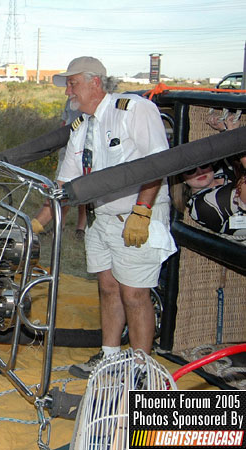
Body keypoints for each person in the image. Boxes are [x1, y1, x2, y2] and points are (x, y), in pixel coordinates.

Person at [51, 56, 176, 379]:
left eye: (72, 82)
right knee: (107, 287)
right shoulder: (82, 126)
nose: (68, 91)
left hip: (135, 216)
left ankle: (140, 367)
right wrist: (39, 220)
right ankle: (108, 357)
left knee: (134, 294)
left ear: (95, 82)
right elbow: (67, 183)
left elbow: (158, 164)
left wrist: (142, 210)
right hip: (102, 218)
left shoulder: (132, 110)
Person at [180, 111, 245, 240]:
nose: (199, 171)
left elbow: (232, 152)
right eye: (190, 170)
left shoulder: (223, 171)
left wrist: (225, 127)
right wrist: (235, 136)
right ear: (181, 179)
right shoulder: (201, 205)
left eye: (204, 165)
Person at [31, 99, 88, 240]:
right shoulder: (70, 101)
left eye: (73, 83)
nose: (67, 91)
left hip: (86, 154)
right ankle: (58, 225)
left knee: (85, 193)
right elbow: (64, 123)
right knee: (61, 190)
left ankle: (81, 228)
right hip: (67, 150)